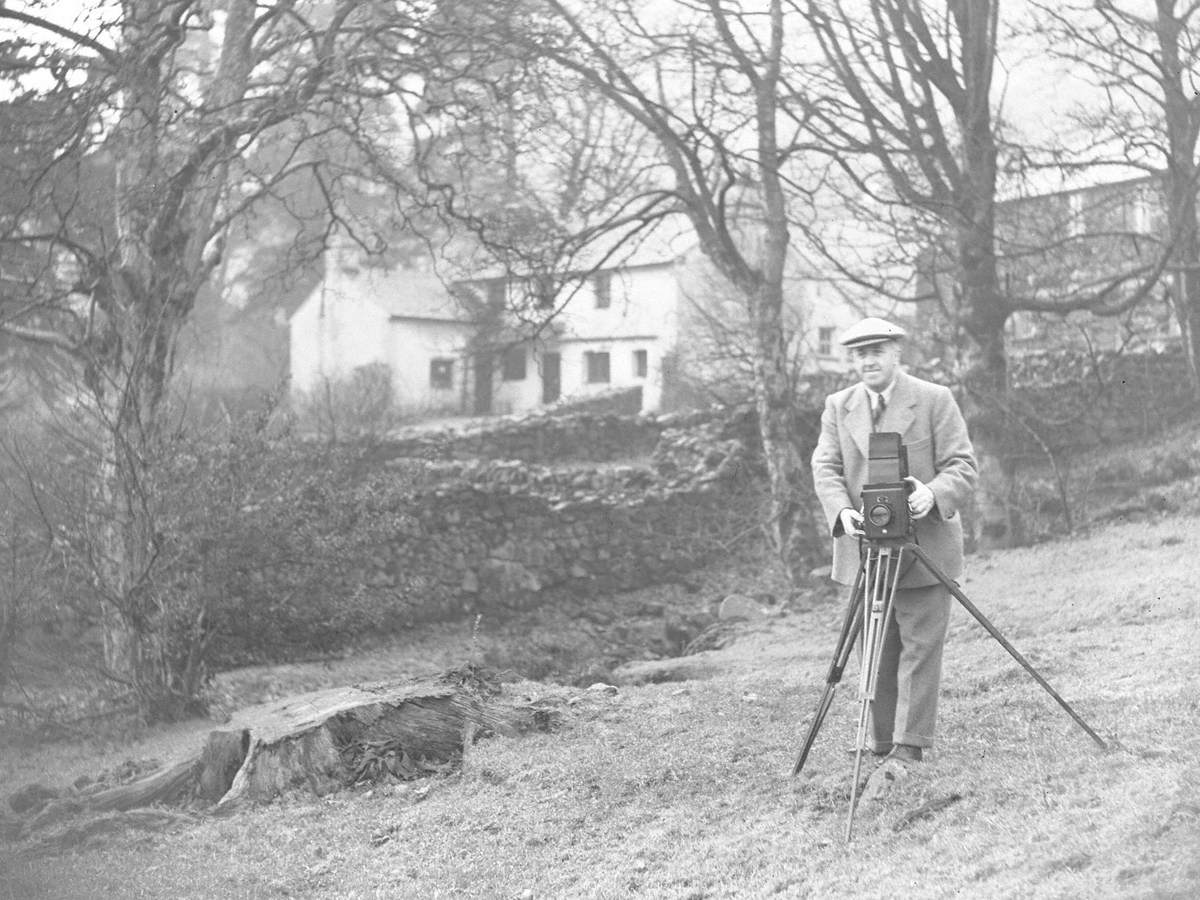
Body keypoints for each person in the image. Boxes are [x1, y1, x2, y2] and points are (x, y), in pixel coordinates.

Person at [811, 316, 978, 799]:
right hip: (866, 550)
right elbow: (826, 465)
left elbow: (962, 465)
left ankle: (909, 745)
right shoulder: (838, 407)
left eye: (878, 351)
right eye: (860, 353)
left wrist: (932, 492)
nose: (868, 361)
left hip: (924, 547)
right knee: (876, 652)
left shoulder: (933, 398)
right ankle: (879, 739)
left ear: (896, 352)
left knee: (922, 646)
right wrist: (841, 511)